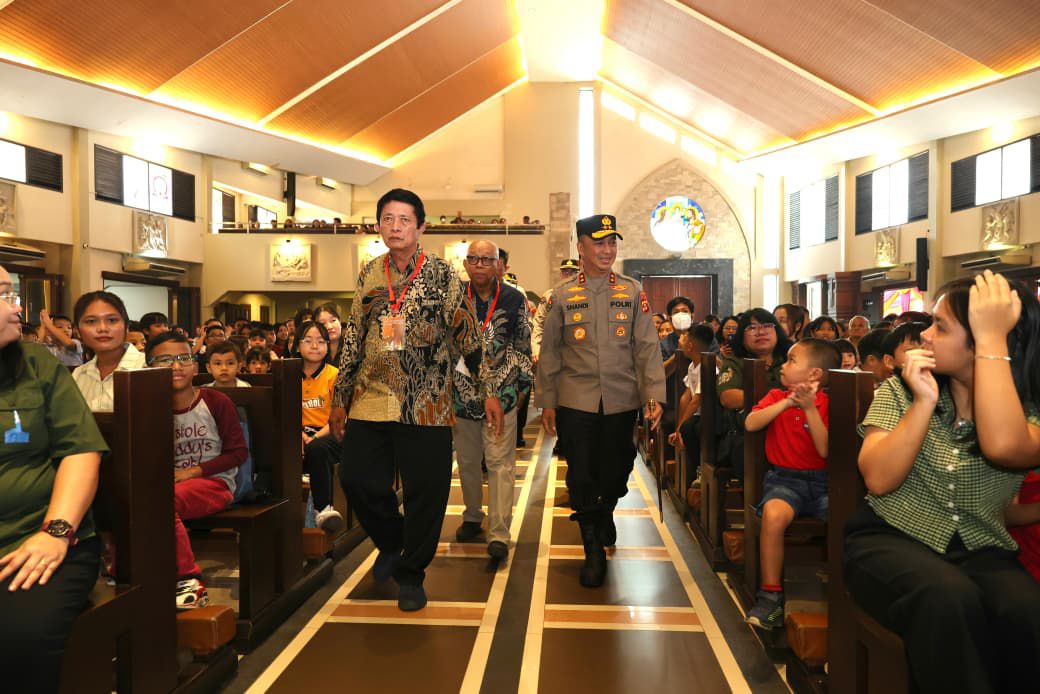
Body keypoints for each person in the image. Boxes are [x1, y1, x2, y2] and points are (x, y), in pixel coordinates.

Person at [845, 271, 1040, 693]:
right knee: (948, 597)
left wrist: (991, 339)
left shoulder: (1028, 410)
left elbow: (1004, 445)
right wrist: (923, 402)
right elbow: (878, 479)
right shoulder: (899, 391)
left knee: (1025, 610)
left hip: (982, 548)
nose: (924, 336)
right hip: (889, 539)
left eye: (941, 326)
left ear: (986, 341)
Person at [328, 189, 501, 612]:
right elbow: (353, 337)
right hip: (371, 395)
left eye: (404, 220)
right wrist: (340, 396)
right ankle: (392, 540)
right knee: (356, 478)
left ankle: (411, 574)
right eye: (388, 219)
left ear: (420, 227)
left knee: (427, 491)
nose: (395, 227)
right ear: (378, 225)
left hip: (426, 401)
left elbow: (467, 335)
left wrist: (489, 390)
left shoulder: (442, 275)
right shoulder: (370, 272)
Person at [536, 213, 665, 588]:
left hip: (622, 399)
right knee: (581, 472)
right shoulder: (561, 296)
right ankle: (592, 548)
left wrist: (653, 395)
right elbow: (551, 353)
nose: (607, 250)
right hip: (575, 400)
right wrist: (547, 401)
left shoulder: (632, 291)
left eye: (612, 243)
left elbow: (646, 347)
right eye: (599, 243)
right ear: (581, 247)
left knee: (617, 467)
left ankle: (605, 507)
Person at [0, 267, 109, 693]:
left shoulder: (36, 365)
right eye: (5, 296)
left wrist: (56, 531)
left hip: (36, 539)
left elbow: (80, 451)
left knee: (19, 636)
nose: (18, 308)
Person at [743, 339, 840, 629]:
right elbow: (751, 423)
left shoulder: (829, 403)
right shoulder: (776, 396)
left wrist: (809, 408)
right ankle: (770, 596)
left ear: (815, 374)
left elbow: (825, 449)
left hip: (823, 484)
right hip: (785, 481)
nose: (783, 366)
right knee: (773, 516)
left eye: (791, 360)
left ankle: (842, 591)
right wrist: (787, 402)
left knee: (844, 517)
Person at [146, 332, 247, 610]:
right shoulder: (149, 407)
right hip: (166, 485)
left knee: (163, 501)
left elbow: (238, 453)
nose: (176, 366)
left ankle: (187, 579)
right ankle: (127, 573)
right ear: (149, 367)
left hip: (215, 483)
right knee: (136, 499)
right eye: (165, 360)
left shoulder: (215, 401)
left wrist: (193, 472)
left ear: (195, 365)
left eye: (183, 358)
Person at [453, 240, 533, 561]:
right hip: (462, 394)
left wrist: (517, 391)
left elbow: (523, 345)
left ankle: (499, 532)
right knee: (468, 461)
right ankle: (473, 516)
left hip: (502, 394)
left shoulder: (514, 299)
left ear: (499, 264)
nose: (480, 265)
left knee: (500, 464)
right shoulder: (454, 297)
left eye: (487, 260)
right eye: (474, 259)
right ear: (466, 263)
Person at [297, 321, 344, 532]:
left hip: (329, 434)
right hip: (299, 434)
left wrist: (314, 438)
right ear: (298, 345)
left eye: (321, 341)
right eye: (308, 341)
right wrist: (299, 435)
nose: (315, 346)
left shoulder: (334, 375)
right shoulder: (289, 375)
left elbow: (339, 418)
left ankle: (323, 509)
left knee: (317, 449)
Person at [72, 292, 147, 412]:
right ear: (77, 331)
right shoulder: (78, 374)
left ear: (127, 327)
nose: (102, 328)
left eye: (112, 320)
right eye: (91, 321)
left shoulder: (147, 367)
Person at [669, 324, 716, 480]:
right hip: (697, 415)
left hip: (711, 415)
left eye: (684, 338)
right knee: (686, 427)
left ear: (690, 345)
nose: (680, 340)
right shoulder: (692, 366)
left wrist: (680, 429)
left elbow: (696, 401)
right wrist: (678, 429)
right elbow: (686, 397)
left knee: (689, 428)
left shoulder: (707, 366)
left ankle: (700, 470)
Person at [531, 258, 580, 363]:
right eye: (565, 272)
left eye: (573, 272)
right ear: (561, 274)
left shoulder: (584, 295)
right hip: (553, 349)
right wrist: (536, 348)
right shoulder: (550, 295)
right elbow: (539, 323)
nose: (569, 276)